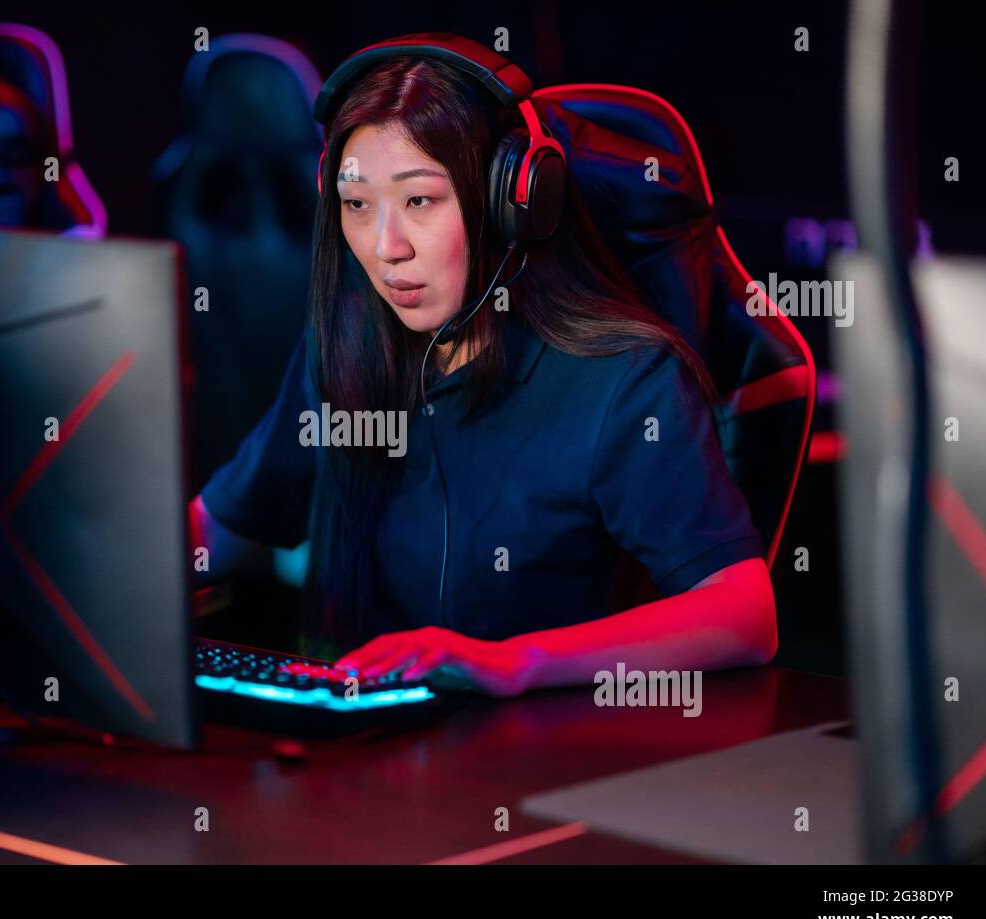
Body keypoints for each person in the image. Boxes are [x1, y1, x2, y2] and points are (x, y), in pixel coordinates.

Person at [187, 51, 776, 697]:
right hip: (344, 758)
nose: (387, 246)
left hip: (527, 768)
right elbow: (221, 528)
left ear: (509, 203)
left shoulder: (623, 382)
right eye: (356, 205)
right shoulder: (345, 348)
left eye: (419, 200)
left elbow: (745, 616)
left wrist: (511, 663)